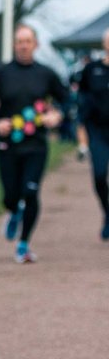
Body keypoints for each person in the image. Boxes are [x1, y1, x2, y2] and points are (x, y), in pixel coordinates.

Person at [0, 24, 68, 263]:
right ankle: (12, 211)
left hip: (36, 144)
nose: (23, 46)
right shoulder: (1, 74)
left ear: (35, 45)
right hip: (8, 145)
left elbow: (66, 100)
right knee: (11, 195)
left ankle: (23, 244)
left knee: (30, 192)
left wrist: (57, 116)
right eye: (19, 41)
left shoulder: (46, 74)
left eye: (28, 41)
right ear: (14, 45)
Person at [76, 29, 109, 240]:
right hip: (98, 131)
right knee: (99, 175)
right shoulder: (92, 70)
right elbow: (82, 103)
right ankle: (107, 212)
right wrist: (81, 137)